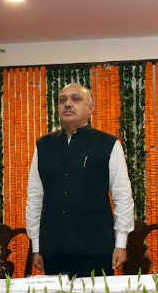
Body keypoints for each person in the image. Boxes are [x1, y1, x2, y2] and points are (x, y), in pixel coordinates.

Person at [26, 82, 134, 277]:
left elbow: (122, 197)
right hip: (54, 249)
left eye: (75, 99)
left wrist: (121, 244)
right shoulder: (43, 146)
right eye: (62, 100)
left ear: (90, 109)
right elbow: (35, 199)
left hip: (96, 248)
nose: (67, 104)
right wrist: (36, 247)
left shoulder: (108, 144)